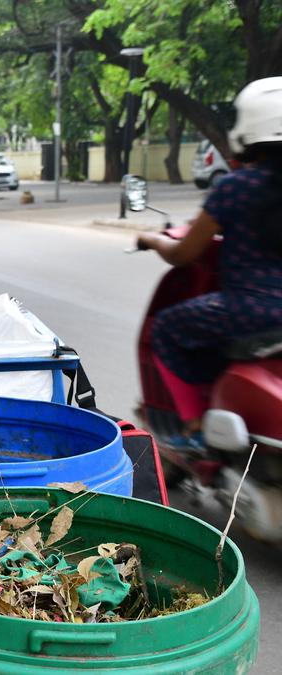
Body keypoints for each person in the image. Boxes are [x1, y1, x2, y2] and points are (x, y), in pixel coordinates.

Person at [136, 77, 282, 447]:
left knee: (167, 328)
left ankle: (194, 426)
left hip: (252, 311)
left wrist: (152, 239)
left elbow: (185, 254)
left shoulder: (235, 187)